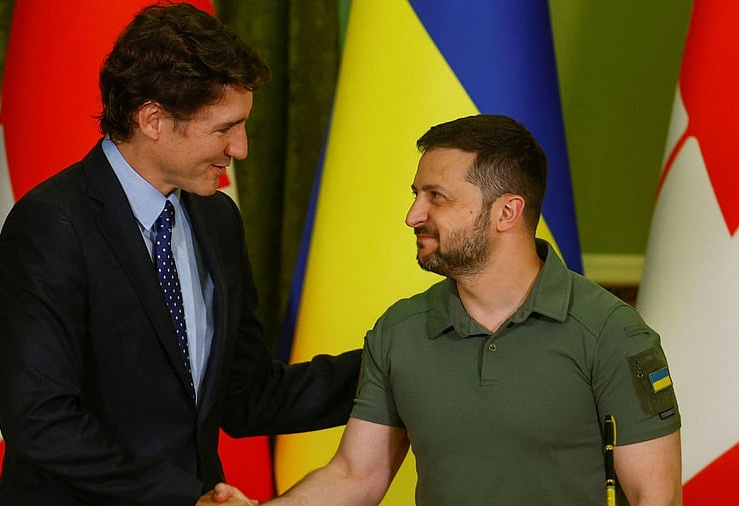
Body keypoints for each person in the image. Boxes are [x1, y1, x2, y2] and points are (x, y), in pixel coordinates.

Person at [201, 114, 682, 505]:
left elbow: (654, 497)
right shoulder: (399, 330)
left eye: (437, 197)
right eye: (417, 194)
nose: (413, 215)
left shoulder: (611, 333)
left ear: (506, 212)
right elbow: (356, 475)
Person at [0, 4, 361, 505]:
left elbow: (248, 396)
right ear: (153, 120)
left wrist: (395, 366)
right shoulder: (53, 224)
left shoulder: (218, 219)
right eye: (224, 128)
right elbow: (41, 421)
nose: (242, 148)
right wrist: (181, 498)